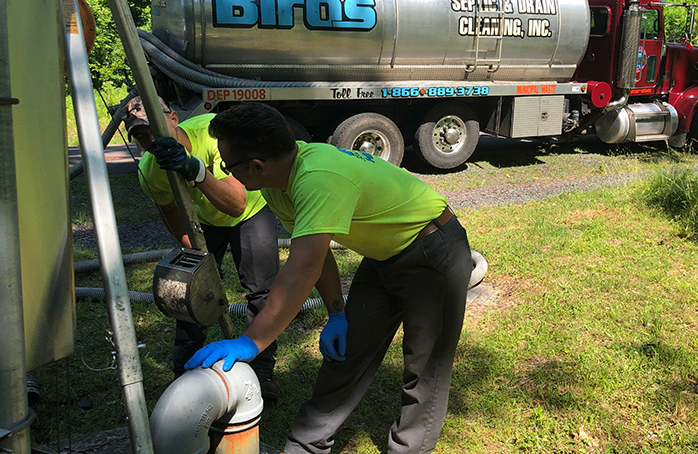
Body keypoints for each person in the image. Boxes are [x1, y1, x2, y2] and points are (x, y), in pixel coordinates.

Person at [185, 102, 473, 454]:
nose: (226, 174)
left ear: (256, 166)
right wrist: (337, 313)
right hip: (384, 257)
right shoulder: (277, 182)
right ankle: (306, 446)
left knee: (425, 367)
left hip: (433, 250)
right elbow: (315, 256)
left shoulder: (317, 178)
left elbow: (302, 269)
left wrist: (251, 341)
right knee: (347, 353)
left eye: (228, 167)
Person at [122, 96, 281, 400]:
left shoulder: (214, 135)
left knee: (261, 290)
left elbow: (236, 204)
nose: (151, 139)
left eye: (155, 126)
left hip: (250, 211)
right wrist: (196, 260)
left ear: (173, 118)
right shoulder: (151, 170)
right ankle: (186, 370)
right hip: (206, 219)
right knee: (189, 288)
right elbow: (171, 213)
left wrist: (194, 170)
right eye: (141, 135)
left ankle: (262, 369)